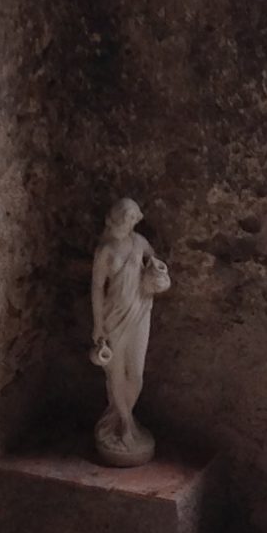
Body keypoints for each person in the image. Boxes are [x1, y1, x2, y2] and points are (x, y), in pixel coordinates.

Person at [88, 198, 170, 467]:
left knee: (135, 373)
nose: (129, 222)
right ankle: (124, 424)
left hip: (139, 313)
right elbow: (97, 288)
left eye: (133, 218)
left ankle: (119, 417)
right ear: (114, 217)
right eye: (125, 217)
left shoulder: (140, 243)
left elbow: (154, 263)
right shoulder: (106, 250)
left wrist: (156, 272)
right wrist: (98, 324)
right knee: (115, 370)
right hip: (114, 316)